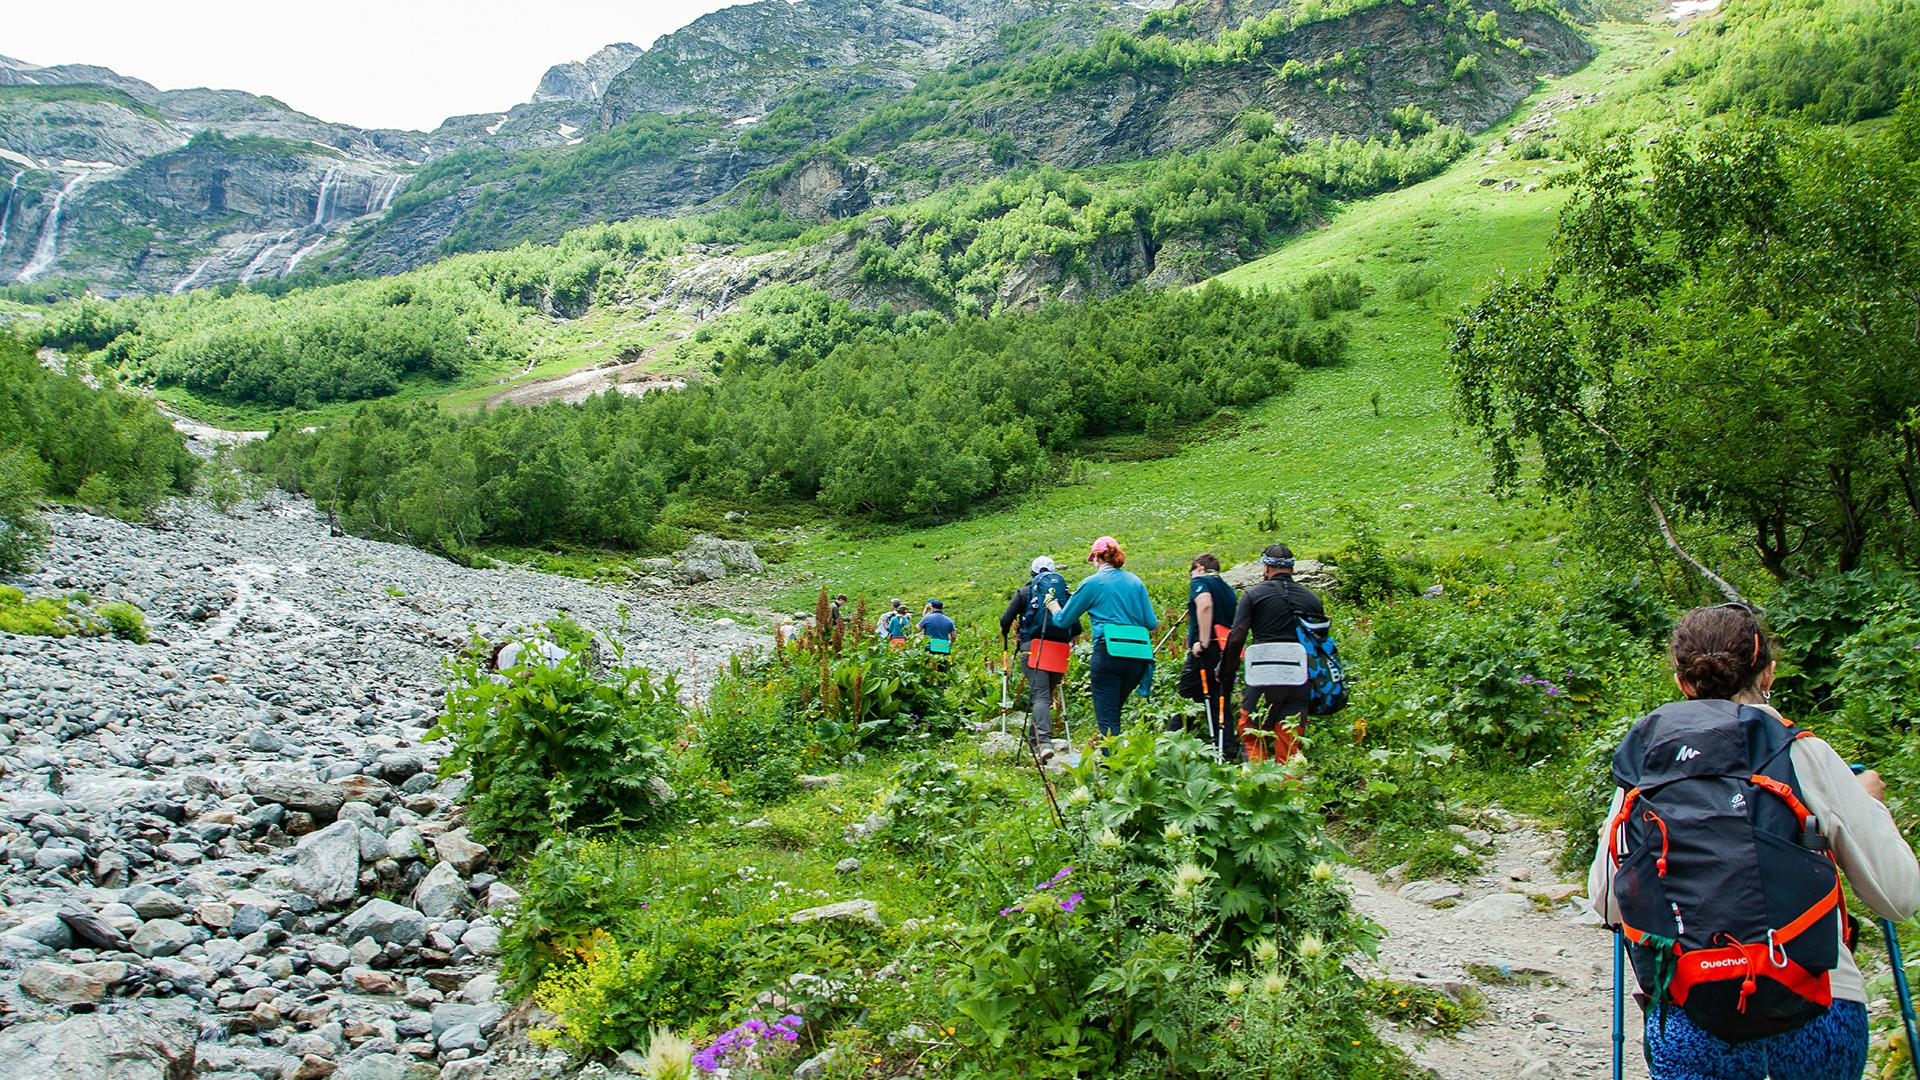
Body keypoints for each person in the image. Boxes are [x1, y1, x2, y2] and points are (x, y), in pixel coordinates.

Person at [1588, 603, 1919, 1080]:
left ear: (1682, 681)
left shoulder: (1649, 761)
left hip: (1691, 1015)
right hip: (1818, 1008)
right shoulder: (1801, 752)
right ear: (1769, 674)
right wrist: (1873, 806)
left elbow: (1607, 907)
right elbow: (1900, 897)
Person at [1048, 536, 1157, 749]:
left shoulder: (1092, 583)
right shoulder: (1135, 581)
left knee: (1107, 719)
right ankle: (1123, 761)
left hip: (1109, 653)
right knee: (1113, 711)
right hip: (1138, 657)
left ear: (1097, 557)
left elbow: (1063, 620)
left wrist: (1053, 605)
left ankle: (1114, 770)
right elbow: (1151, 622)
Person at [1221, 543, 1323, 763]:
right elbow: (1319, 643)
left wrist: (1226, 671)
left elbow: (1237, 635)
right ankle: (1289, 791)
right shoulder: (1312, 599)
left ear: (1266, 568)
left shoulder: (1254, 594)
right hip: (1298, 677)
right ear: (1292, 569)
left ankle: (1258, 786)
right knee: (1290, 741)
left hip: (1263, 674)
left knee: (1251, 732)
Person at [1000, 556, 1081, 755]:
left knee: (1040, 696)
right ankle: (1034, 741)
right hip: (1059, 650)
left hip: (1033, 647)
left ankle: (1044, 743)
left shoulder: (1025, 592)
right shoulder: (1065, 595)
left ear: (1032, 573)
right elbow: (1077, 628)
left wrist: (1009, 634)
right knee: (1045, 695)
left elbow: (1005, 620)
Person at [1178, 554, 1239, 753]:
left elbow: (1205, 604)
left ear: (1198, 567)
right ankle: (1227, 751)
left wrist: (1202, 642)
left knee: (1186, 697)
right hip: (1226, 650)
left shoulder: (1200, 580)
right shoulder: (1228, 590)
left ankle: (1173, 744)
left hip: (1205, 651)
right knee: (1220, 701)